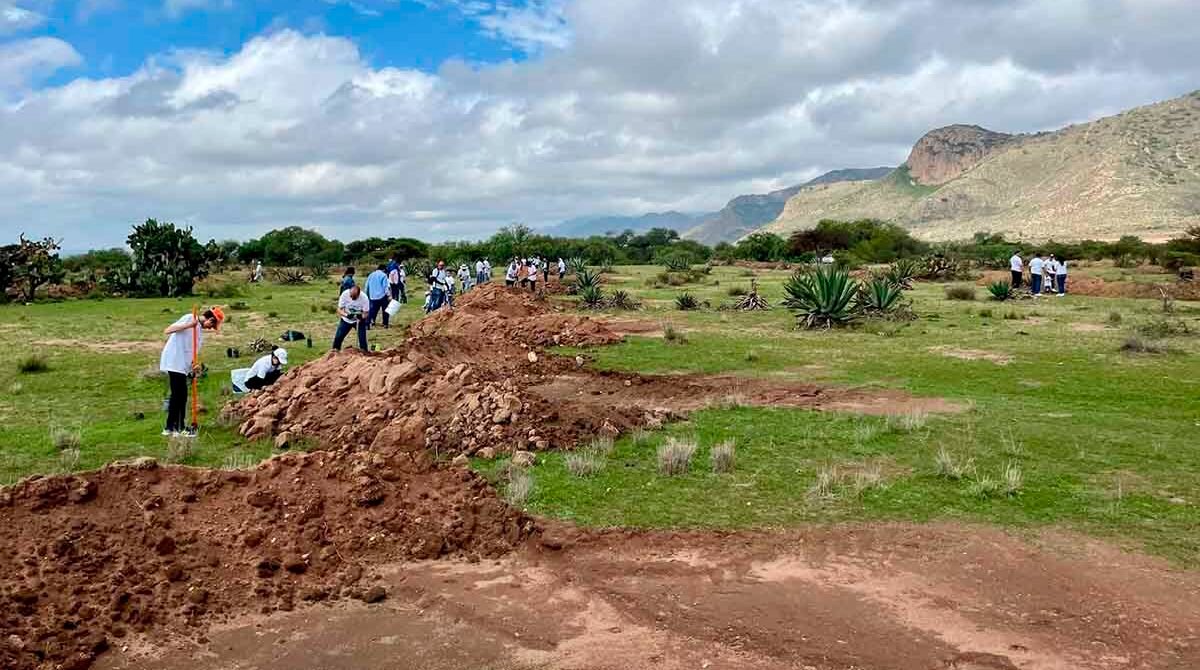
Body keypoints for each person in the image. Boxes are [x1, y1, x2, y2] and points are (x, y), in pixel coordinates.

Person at [159, 307, 224, 436]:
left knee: (179, 396)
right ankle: (179, 427)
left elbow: (191, 354)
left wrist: (194, 367)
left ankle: (170, 427)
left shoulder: (199, 334)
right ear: (210, 319)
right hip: (174, 361)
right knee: (180, 396)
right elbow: (168, 330)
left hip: (182, 366)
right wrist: (189, 325)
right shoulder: (190, 318)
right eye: (212, 325)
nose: (210, 329)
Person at [333, 285, 370, 351]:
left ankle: (365, 355)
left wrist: (361, 317)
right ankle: (334, 352)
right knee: (338, 337)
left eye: (355, 297)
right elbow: (339, 309)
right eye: (351, 296)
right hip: (346, 320)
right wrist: (346, 315)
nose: (352, 298)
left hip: (359, 321)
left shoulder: (364, 298)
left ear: (359, 294)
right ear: (349, 292)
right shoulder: (344, 294)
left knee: (362, 339)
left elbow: (366, 313)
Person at [365, 264, 391, 328]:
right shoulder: (384, 275)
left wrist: (367, 295)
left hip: (372, 296)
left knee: (372, 311)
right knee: (385, 310)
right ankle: (385, 324)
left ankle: (368, 323)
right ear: (384, 269)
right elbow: (385, 287)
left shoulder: (371, 275)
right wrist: (389, 295)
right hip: (382, 296)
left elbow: (367, 286)